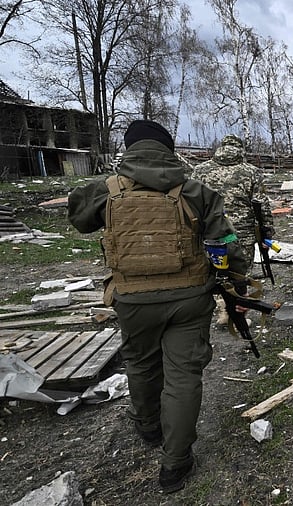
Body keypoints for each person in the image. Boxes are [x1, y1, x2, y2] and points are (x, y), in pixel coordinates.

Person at [67, 119, 249, 494]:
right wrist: (239, 279)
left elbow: (78, 220)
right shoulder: (196, 190)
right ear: (168, 150)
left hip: (132, 299)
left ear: (129, 149)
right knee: (183, 377)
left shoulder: (106, 189)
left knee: (141, 363)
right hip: (189, 298)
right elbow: (225, 244)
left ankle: (148, 425)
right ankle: (175, 464)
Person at [191, 134, 274, 277]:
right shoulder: (252, 172)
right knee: (241, 277)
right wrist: (267, 234)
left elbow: (191, 203)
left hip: (210, 232)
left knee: (211, 275)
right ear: (240, 149)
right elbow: (261, 205)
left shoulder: (199, 171)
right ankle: (239, 296)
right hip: (242, 234)